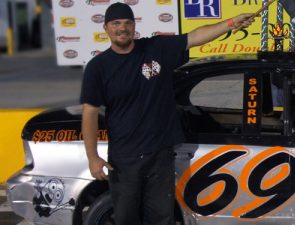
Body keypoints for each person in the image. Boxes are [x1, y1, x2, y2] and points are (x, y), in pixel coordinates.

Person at [80, 2, 254, 225]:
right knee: (125, 218)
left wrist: (230, 23)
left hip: (160, 155)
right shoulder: (98, 67)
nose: (122, 28)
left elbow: (196, 36)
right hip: (125, 159)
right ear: (106, 28)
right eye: (116, 24)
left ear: (134, 26)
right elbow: (90, 113)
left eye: (127, 23)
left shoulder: (156, 48)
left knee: (162, 218)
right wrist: (93, 157)